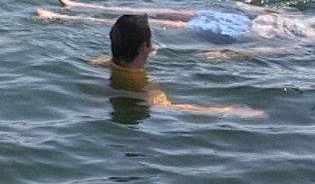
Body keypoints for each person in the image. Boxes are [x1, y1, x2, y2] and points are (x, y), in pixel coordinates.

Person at [38, 0, 315, 51]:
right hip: (235, 21)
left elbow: (284, 50)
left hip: (237, 37)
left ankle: (60, 18)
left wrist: (235, 54)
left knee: (159, 25)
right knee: (163, 10)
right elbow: (283, 23)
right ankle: (82, 5)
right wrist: (258, 11)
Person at [90, 15, 264, 118]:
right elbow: (170, 107)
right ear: (145, 47)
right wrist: (230, 111)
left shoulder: (103, 62)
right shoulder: (144, 84)